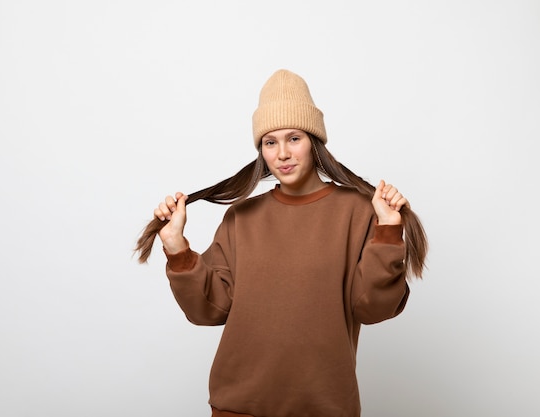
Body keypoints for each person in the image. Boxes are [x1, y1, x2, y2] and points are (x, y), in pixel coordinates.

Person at [135, 69, 428, 417]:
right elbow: (209, 310)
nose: (283, 153)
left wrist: (389, 230)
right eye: (270, 142)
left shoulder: (357, 211)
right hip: (239, 407)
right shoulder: (242, 217)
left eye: (294, 138)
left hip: (324, 407)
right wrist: (176, 248)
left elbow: (373, 308)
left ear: (315, 142)